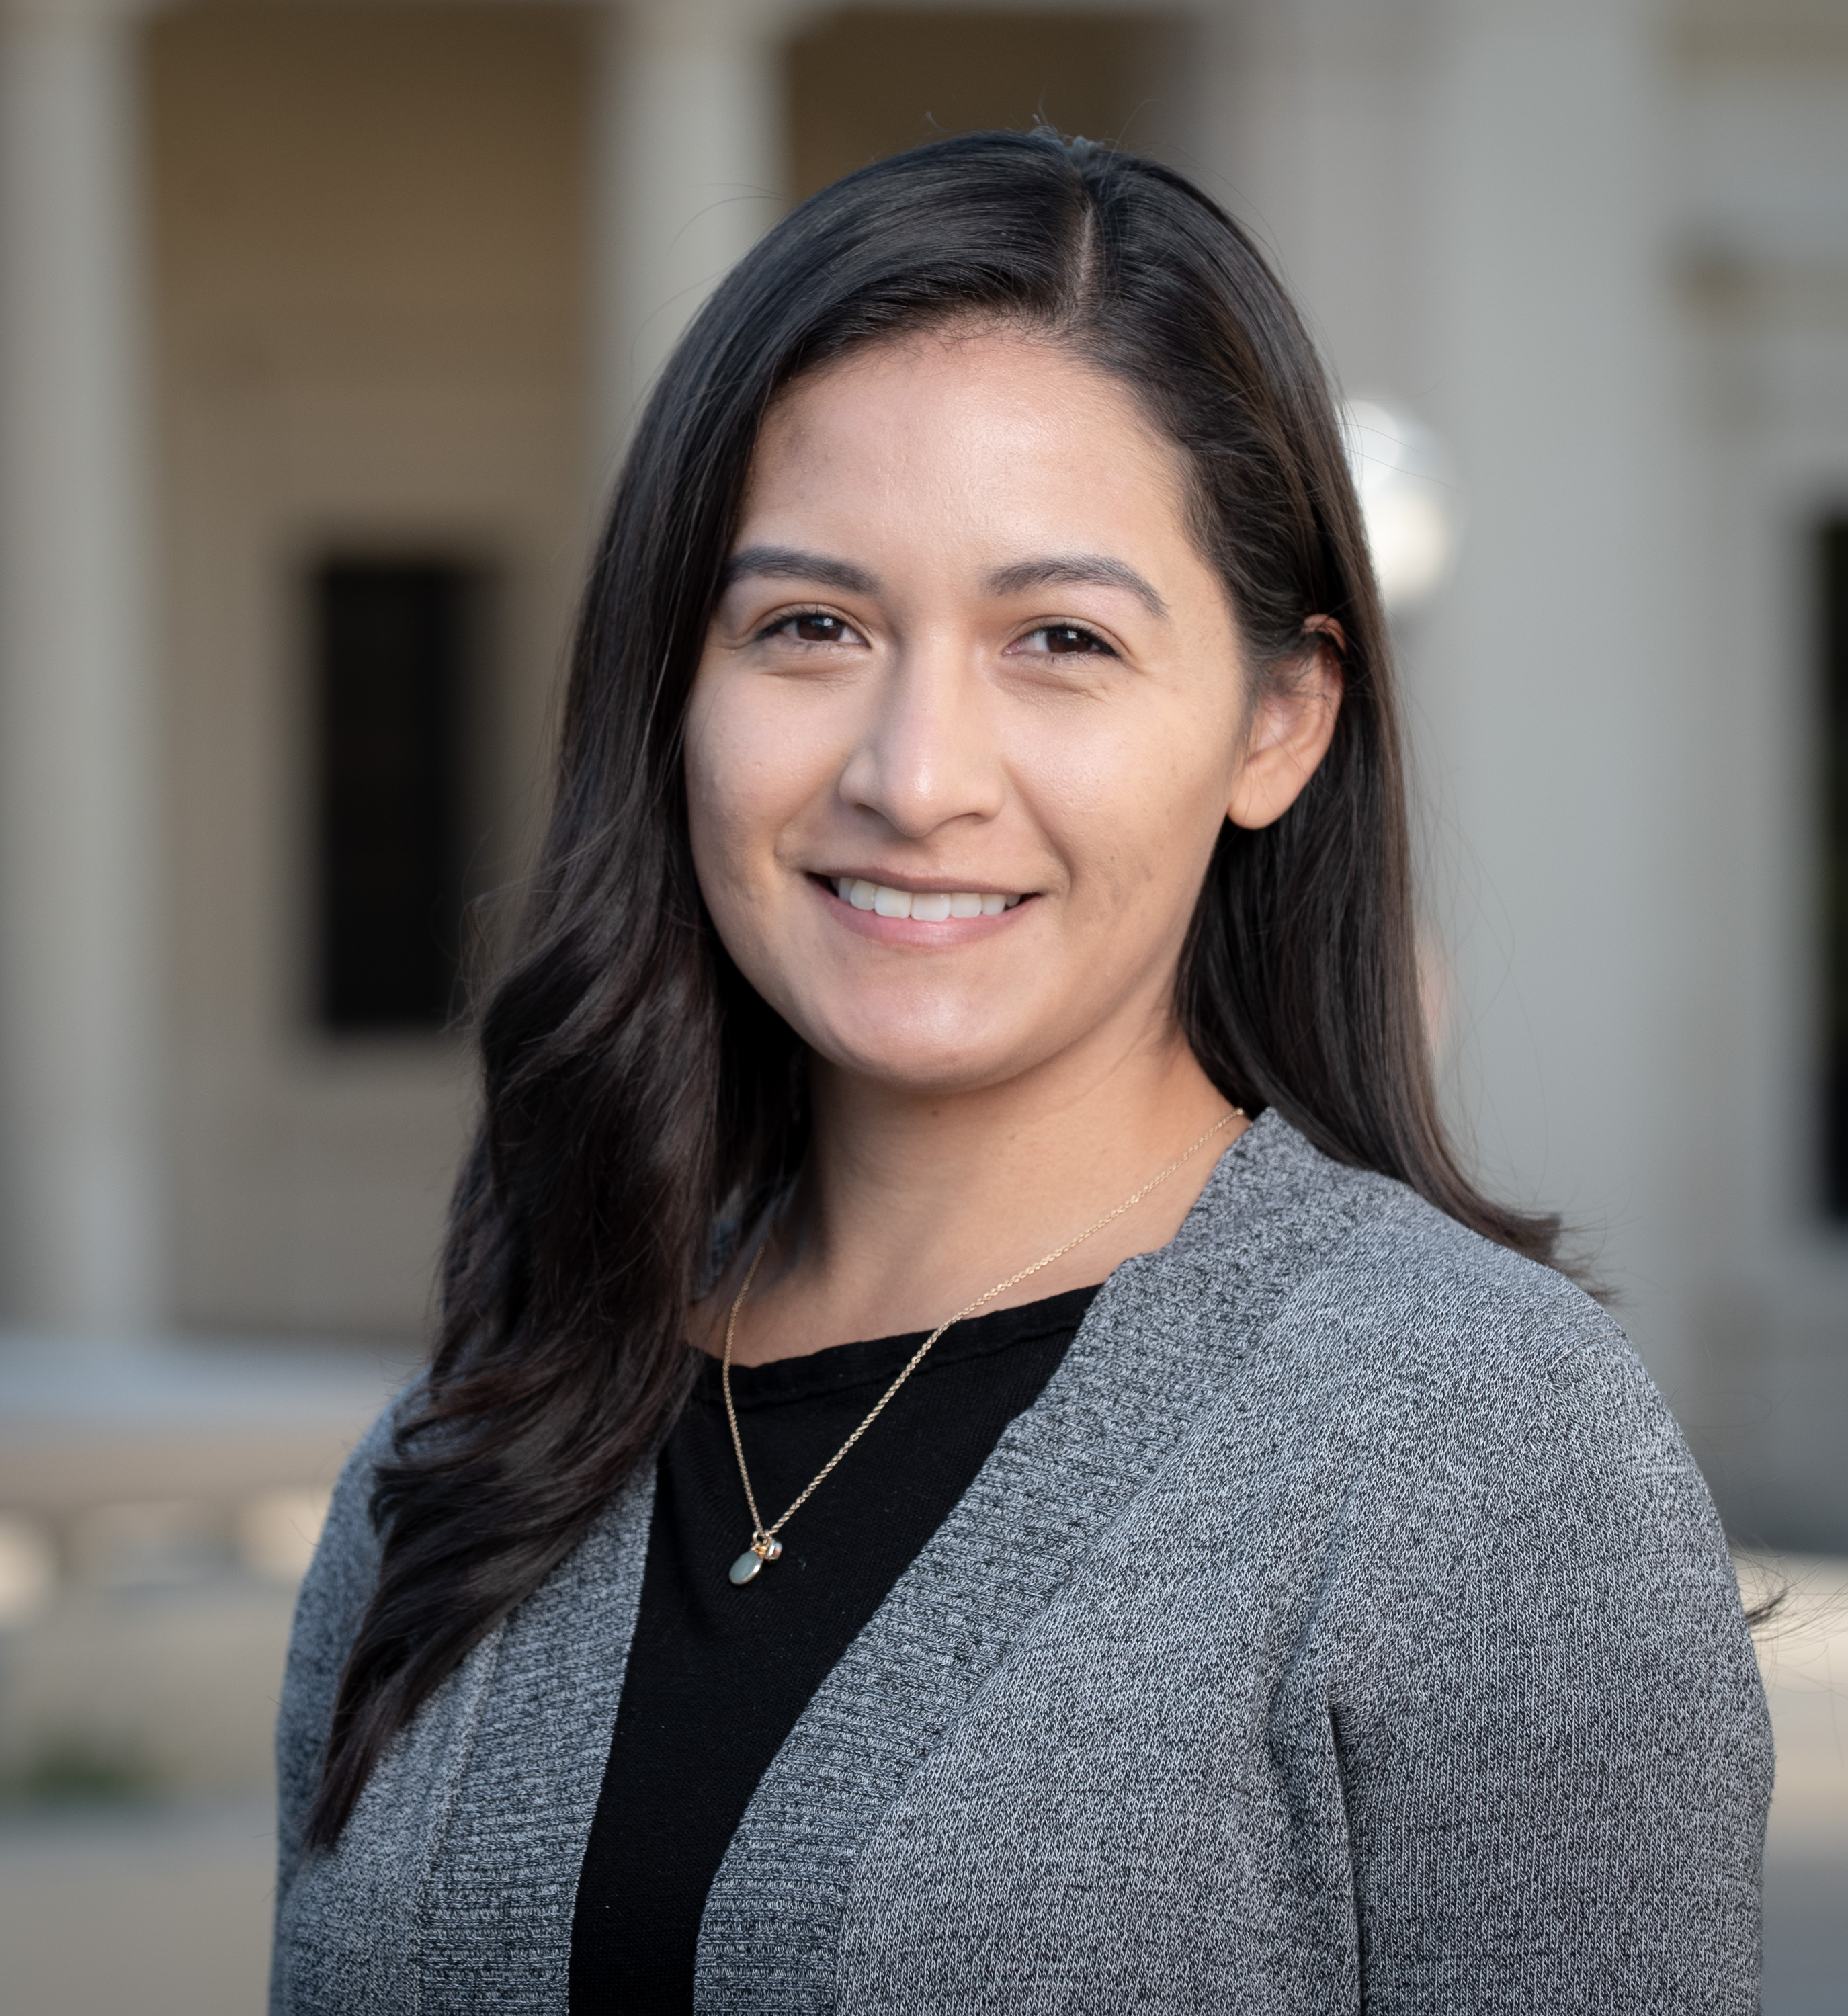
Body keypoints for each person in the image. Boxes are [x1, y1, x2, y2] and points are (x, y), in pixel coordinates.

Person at [270, 131, 1770, 2014]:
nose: (915, 774)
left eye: (1059, 639)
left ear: (1277, 724)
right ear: (676, 684)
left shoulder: (1477, 1451)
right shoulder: (468, 1445)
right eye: (809, 627)